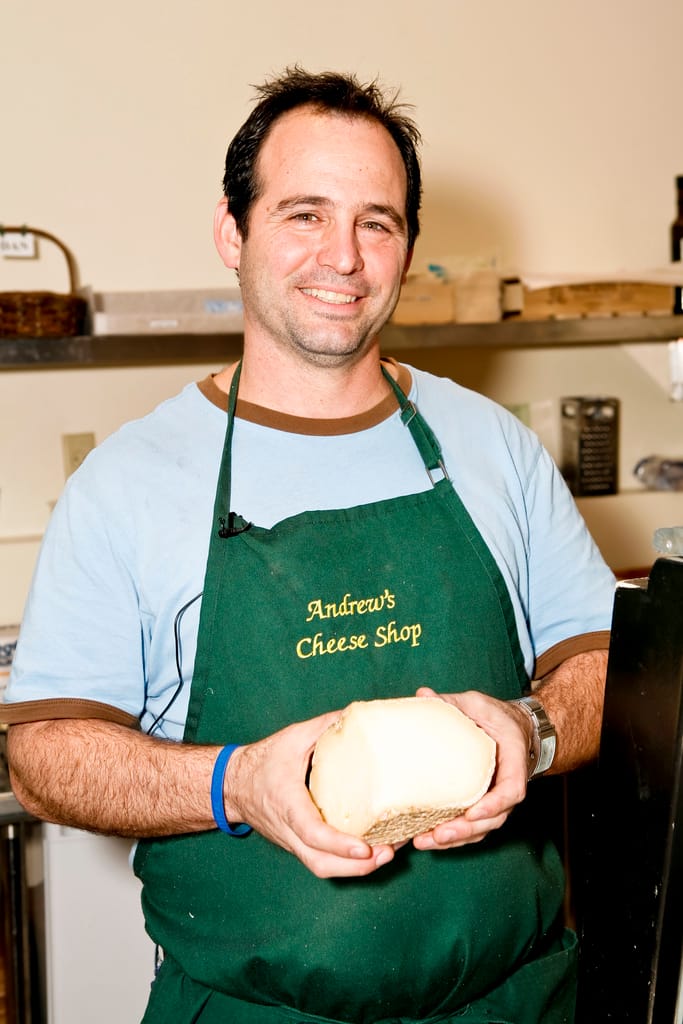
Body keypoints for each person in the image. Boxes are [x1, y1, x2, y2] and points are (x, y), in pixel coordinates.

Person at [3, 67, 615, 1023]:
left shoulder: (491, 445)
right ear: (231, 233)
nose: (344, 255)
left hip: (515, 1003)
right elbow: (42, 756)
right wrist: (235, 781)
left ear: (408, 247)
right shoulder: (128, 483)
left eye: (378, 221)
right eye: (303, 214)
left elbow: (605, 668)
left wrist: (526, 735)